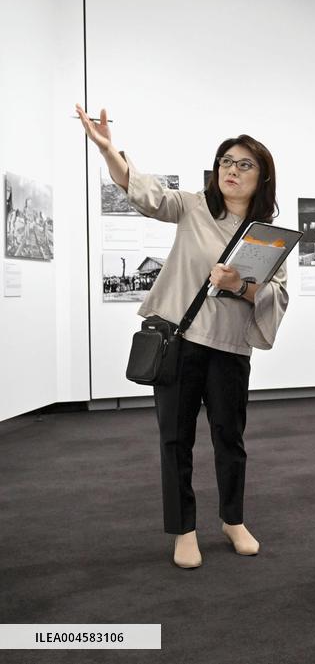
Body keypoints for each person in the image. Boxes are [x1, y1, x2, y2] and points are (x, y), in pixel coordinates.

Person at [75, 104, 289, 569]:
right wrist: (109, 150)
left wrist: (240, 285)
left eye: (244, 164)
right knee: (176, 439)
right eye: (226, 162)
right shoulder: (193, 206)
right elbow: (147, 194)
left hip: (230, 348)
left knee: (230, 439)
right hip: (181, 340)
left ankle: (233, 520)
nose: (232, 171)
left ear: (262, 178)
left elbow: (277, 293)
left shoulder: (269, 237)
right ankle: (184, 529)